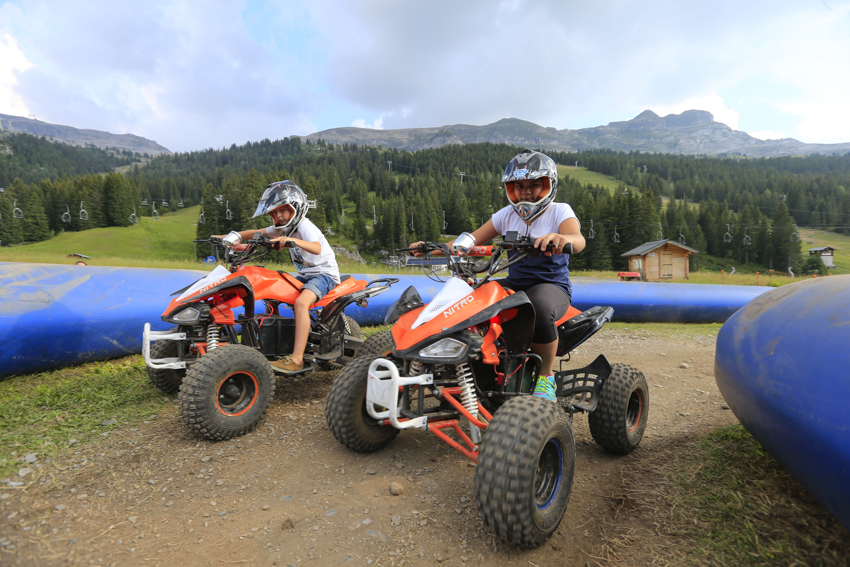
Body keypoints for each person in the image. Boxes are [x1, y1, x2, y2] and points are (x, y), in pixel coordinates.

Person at [413, 150, 585, 402]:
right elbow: (468, 242)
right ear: (510, 188)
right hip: (514, 282)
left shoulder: (560, 211)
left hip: (550, 285)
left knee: (537, 308)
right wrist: (432, 247)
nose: (526, 191)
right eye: (519, 185)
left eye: (534, 184)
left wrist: (563, 238)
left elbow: (578, 240)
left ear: (549, 185)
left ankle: (546, 379)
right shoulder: (506, 214)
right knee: (470, 302)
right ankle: (472, 367)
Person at [215, 180, 340, 373]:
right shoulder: (283, 228)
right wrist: (230, 237)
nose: (278, 216)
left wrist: (292, 240)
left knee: (300, 304)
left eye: (282, 210)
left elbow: (316, 248)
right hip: (305, 276)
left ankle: (297, 359)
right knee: (272, 294)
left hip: (324, 275)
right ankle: (275, 344)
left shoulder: (305, 226)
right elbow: (256, 233)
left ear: (295, 208)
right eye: (274, 213)